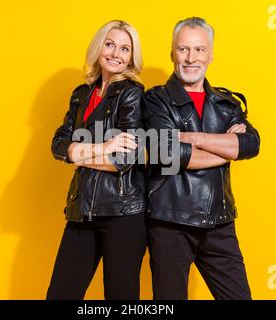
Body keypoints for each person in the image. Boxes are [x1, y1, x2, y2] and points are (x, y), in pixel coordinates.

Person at [143, 17, 260, 300]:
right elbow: (168, 153)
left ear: (210, 54)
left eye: (198, 50)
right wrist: (225, 148)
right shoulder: (154, 99)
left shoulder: (226, 103)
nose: (191, 58)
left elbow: (251, 144)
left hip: (219, 223)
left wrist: (194, 139)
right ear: (172, 53)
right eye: (183, 50)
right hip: (170, 222)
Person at [47, 20, 147, 300]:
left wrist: (77, 155)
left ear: (131, 57)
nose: (116, 53)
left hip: (123, 212)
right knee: (60, 294)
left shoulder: (131, 92)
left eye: (125, 49)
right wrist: (103, 146)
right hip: (82, 210)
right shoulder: (81, 94)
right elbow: (57, 145)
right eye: (110, 44)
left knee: (121, 299)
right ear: (99, 47)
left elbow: (123, 160)